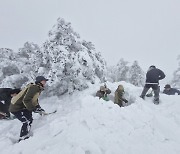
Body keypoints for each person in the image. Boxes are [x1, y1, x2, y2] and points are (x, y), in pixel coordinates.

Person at [9, 76, 48, 141]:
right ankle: (22, 137)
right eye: (44, 80)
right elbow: (26, 100)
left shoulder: (38, 88)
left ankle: (26, 134)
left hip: (23, 106)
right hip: (16, 108)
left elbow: (34, 100)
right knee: (26, 121)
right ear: (39, 81)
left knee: (30, 119)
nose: (45, 82)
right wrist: (33, 109)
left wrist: (39, 108)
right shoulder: (34, 87)